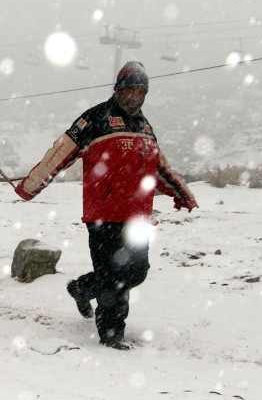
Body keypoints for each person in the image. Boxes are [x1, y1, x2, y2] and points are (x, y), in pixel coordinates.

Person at [14, 61, 198, 350]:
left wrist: (181, 193)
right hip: (103, 215)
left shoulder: (144, 126)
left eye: (140, 92)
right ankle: (112, 334)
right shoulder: (95, 119)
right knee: (113, 277)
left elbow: (159, 168)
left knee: (137, 271)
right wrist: (30, 186)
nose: (134, 97)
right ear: (118, 90)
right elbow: (61, 153)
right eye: (129, 91)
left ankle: (83, 287)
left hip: (138, 216)